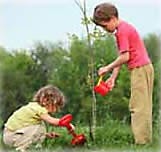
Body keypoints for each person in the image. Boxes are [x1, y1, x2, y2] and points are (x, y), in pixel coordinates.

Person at [92, 3, 154, 145]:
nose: (105, 29)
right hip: (142, 68)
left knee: (138, 106)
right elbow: (123, 56)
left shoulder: (122, 32)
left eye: (104, 25)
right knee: (142, 105)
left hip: (140, 69)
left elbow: (125, 57)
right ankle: (144, 140)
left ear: (113, 18)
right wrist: (113, 77)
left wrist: (107, 68)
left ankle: (142, 142)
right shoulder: (122, 29)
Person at [3, 85, 75, 151]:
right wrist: (68, 125)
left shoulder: (34, 107)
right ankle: (22, 149)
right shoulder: (39, 109)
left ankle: (34, 147)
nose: (56, 110)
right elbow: (53, 121)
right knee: (39, 128)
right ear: (45, 100)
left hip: (11, 135)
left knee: (41, 127)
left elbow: (29, 129)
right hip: (12, 136)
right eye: (55, 106)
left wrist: (46, 134)